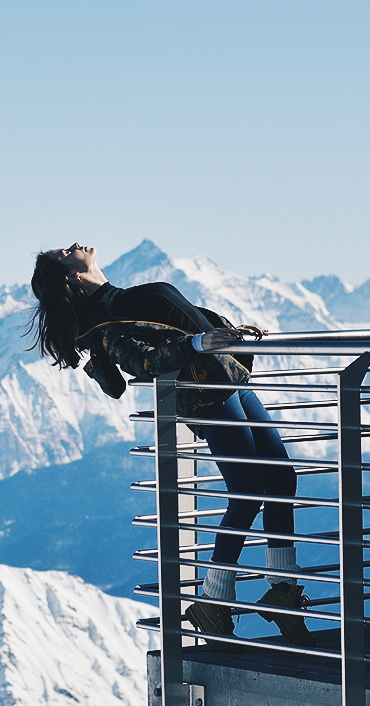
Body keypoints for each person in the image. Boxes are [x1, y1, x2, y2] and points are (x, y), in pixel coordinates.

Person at [26, 243, 310, 643]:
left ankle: (283, 591)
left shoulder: (119, 297)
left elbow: (180, 321)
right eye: (63, 253)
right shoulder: (103, 320)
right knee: (247, 492)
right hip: (207, 394)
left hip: (228, 376)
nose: (73, 245)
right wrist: (198, 345)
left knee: (281, 481)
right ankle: (214, 600)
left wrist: (228, 333)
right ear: (71, 276)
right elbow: (142, 361)